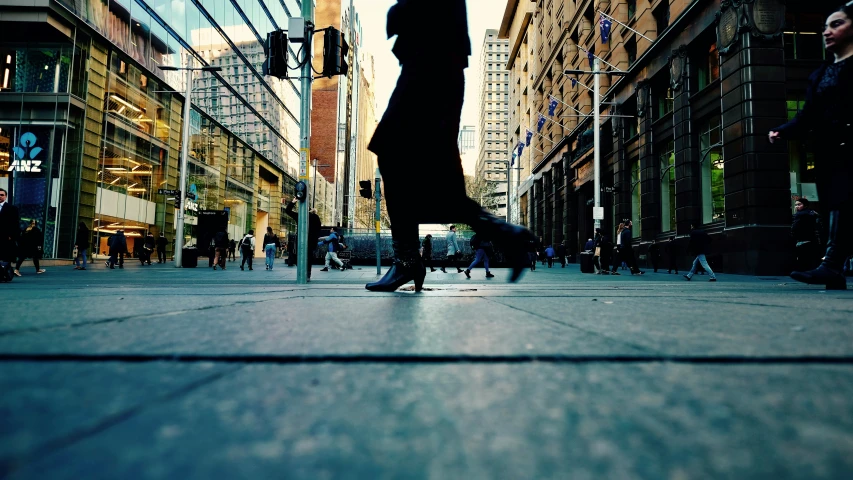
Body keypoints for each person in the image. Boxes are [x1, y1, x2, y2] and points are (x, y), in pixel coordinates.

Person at [364, 0, 534, 292]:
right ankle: (502, 234)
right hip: (434, 63)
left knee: (398, 154)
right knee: (413, 164)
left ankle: (408, 261)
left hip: (432, 62)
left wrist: (400, 12)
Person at [768, 4, 853, 290]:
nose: (827, 31)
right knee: (835, 206)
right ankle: (834, 271)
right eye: (826, 26)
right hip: (831, 152)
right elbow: (808, 115)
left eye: (836, 24)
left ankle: (831, 267)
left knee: (843, 203)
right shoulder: (821, 73)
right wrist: (782, 131)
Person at [284, 197, 321, 281]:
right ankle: (308, 274)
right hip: (311, 241)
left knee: (297, 256)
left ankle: (302, 271)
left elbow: (288, 211)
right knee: (309, 257)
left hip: (301, 240)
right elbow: (318, 229)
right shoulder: (315, 217)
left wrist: (293, 202)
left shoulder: (300, 216)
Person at [791, 198, 822, 272]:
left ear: (805, 205)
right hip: (812, 239)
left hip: (803, 239)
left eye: (799, 204)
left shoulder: (799, 215)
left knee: (803, 260)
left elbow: (795, 227)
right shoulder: (813, 213)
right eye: (795, 205)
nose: (796, 207)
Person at [0, 188, 20, 269]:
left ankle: (5, 273)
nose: (0, 196)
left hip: (5, 237)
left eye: (2, 195)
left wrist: (12, 236)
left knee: (5, 257)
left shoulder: (12, 208)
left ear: (6, 197)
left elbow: (15, 223)